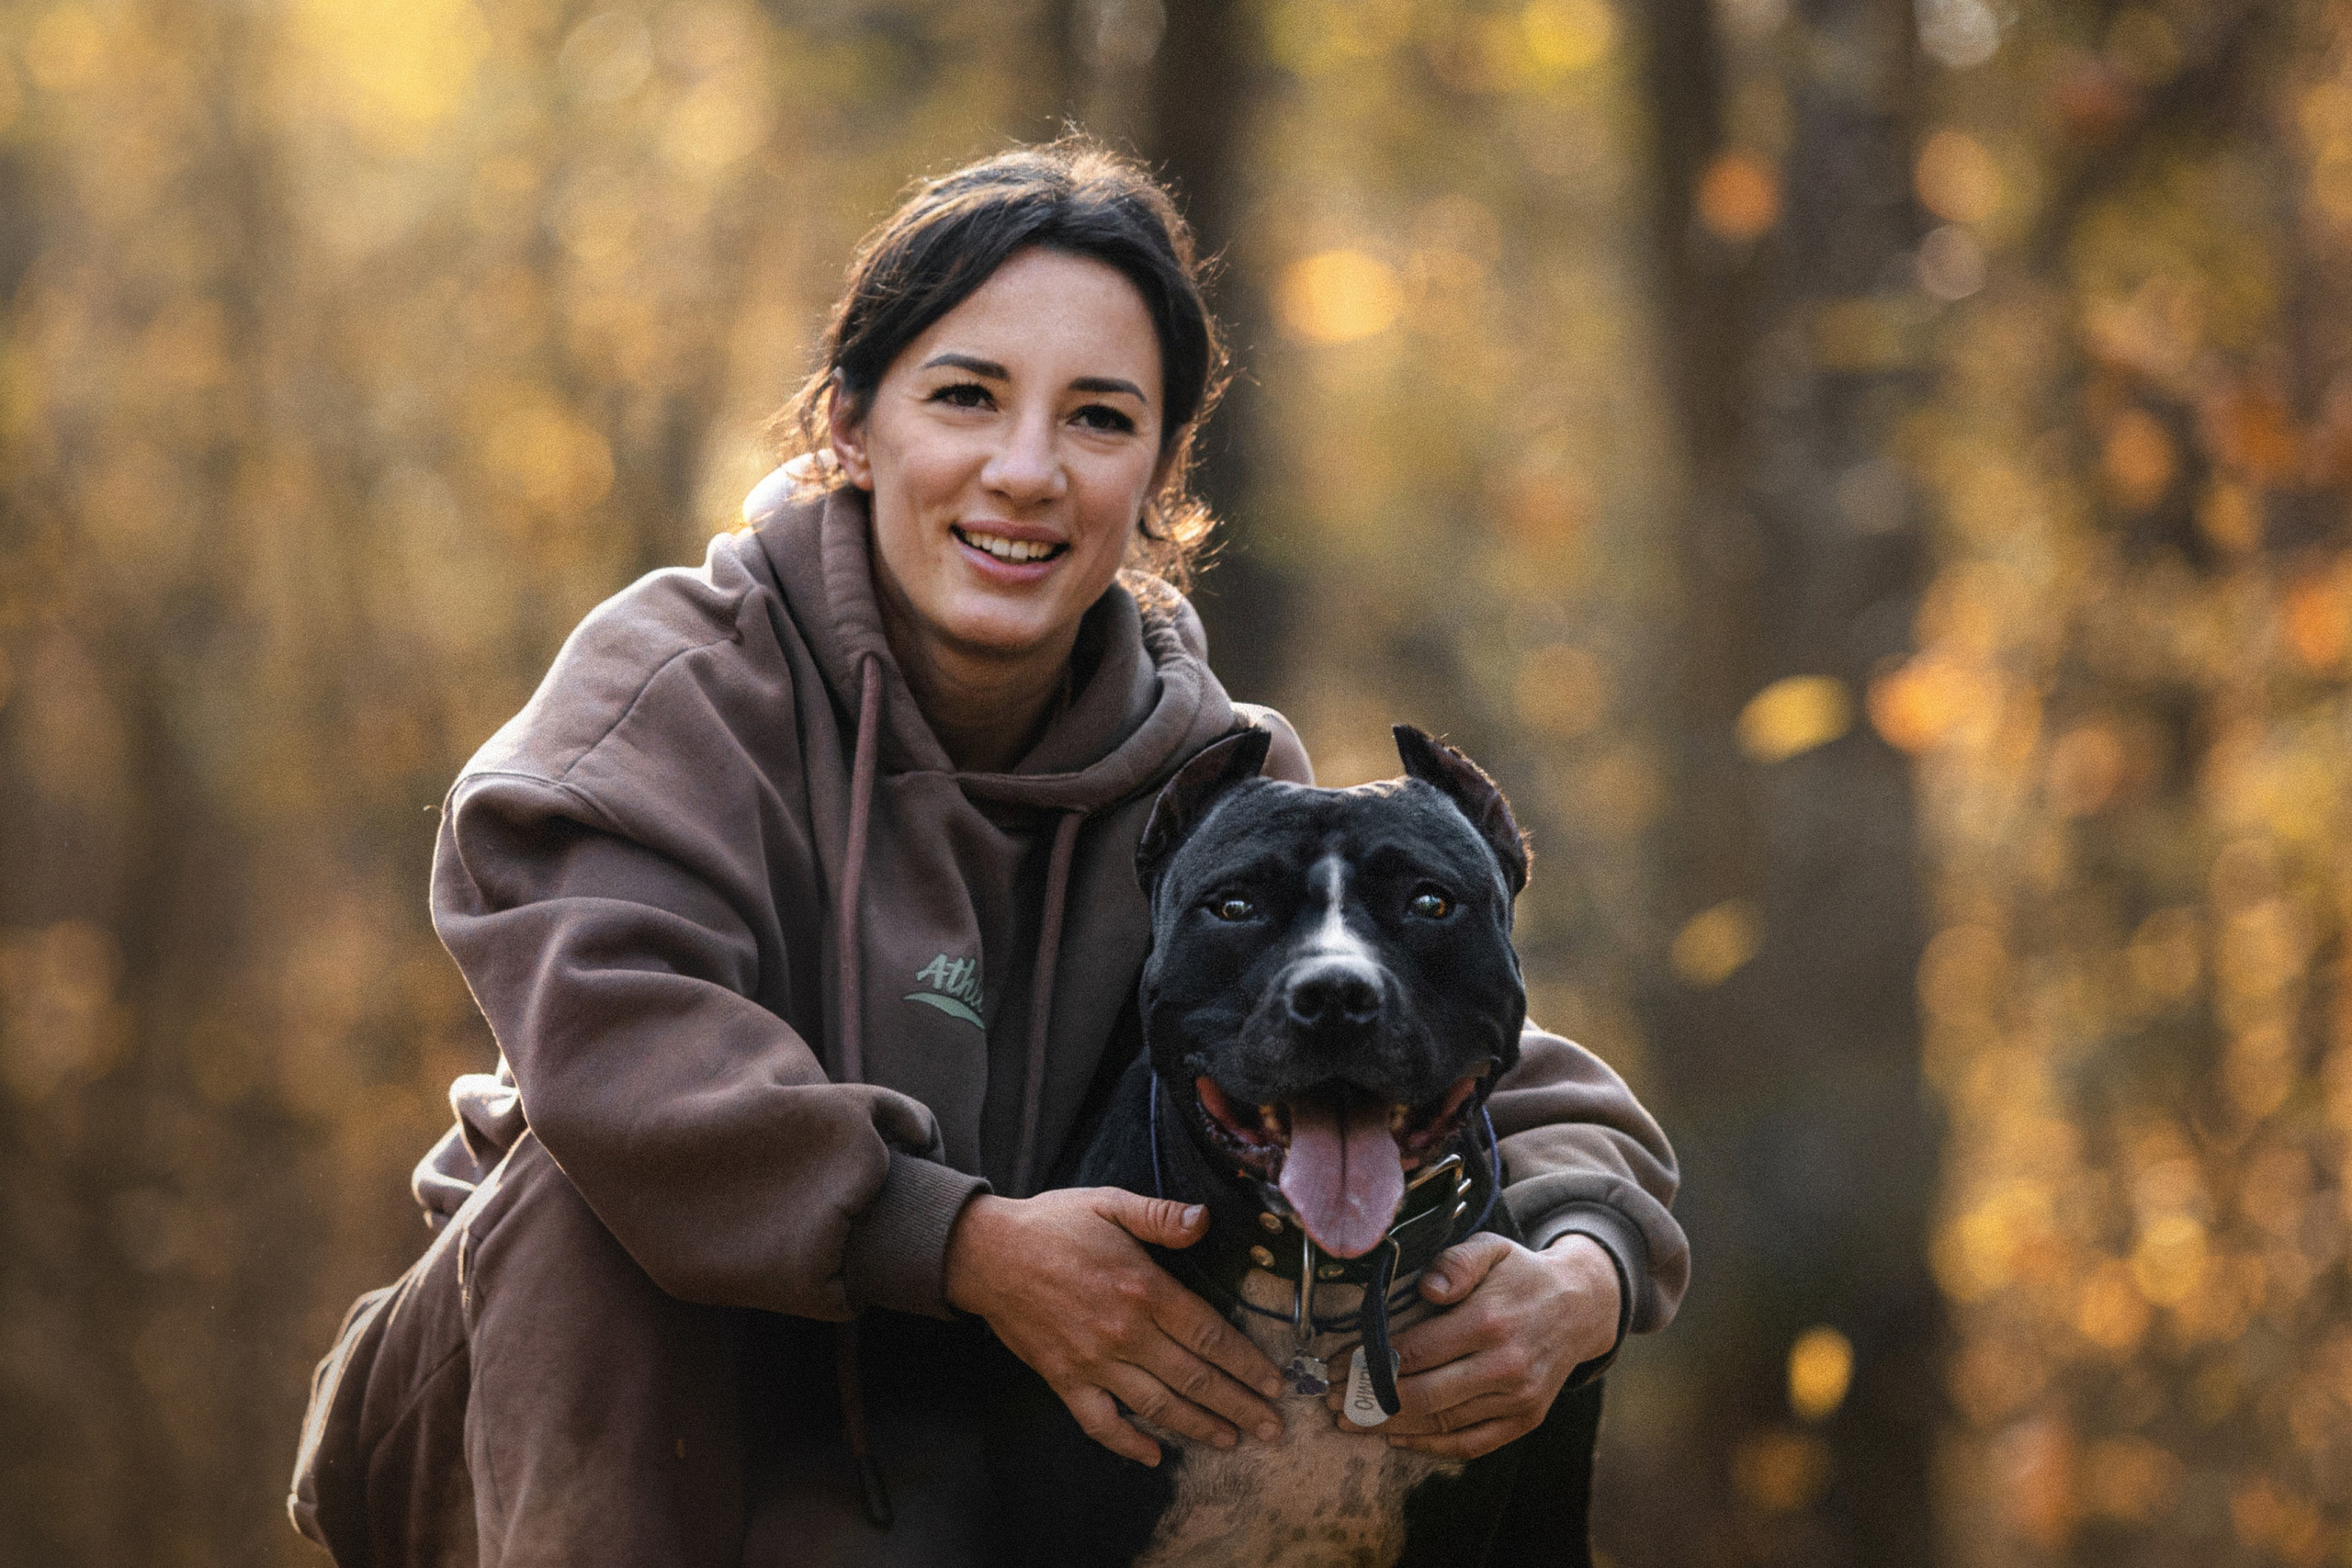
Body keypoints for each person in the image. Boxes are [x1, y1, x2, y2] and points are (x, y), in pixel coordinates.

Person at [289, 138, 1688, 1568]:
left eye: (1097, 419)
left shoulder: (1215, 793)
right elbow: (617, 1049)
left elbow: (1463, 1037)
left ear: (1157, 471)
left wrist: (1583, 1275)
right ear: (851, 420)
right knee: (577, 1201)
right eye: (966, 397)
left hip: (929, 1438)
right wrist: (961, 1241)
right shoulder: (671, 689)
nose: (1025, 472)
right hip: (564, 1405)